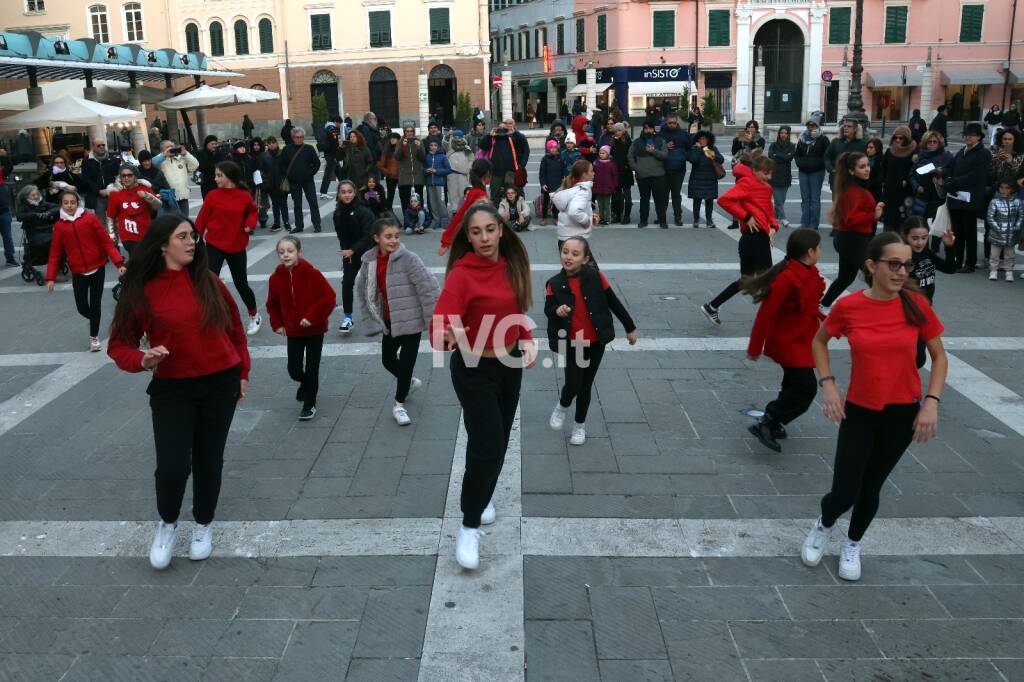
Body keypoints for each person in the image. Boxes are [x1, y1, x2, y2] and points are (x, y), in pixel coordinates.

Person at [108, 214, 251, 571]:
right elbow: (119, 345)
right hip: (172, 389)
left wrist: (242, 372)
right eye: (183, 236)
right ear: (162, 244)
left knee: (208, 460)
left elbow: (234, 329)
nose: (192, 242)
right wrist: (143, 360)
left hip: (221, 383)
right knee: (172, 466)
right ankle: (167, 523)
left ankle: (203, 524)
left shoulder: (210, 281)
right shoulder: (142, 291)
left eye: (193, 236)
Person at [803, 231, 947, 582]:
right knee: (844, 491)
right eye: (893, 264)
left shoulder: (916, 305)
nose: (901, 272)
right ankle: (823, 524)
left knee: (871, 487)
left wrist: (931, 403)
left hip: (903, 413)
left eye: (906, 265)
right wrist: (829, 385)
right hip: (861, 411)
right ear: (871, 265)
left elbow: (939, 357)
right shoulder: (850, 307)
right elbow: (819, 342)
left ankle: (853, 543)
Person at [431, 202, 536, 570]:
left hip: (509, 366)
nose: (484, 238)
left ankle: (483, 494)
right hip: (473, 369)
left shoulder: (512, 266)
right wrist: (445, 335)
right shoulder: (462, 274)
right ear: (468, 236)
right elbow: (441, 322)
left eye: (490, 229)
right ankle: (469, 524)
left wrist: (526, 337)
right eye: (476, 232)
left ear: (501, 229)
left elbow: (517, 308)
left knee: (498, 441)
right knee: (487, 444)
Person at [545, 236, 637, 445]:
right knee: (573, 383)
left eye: (575, 254)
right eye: (565, 252)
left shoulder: (596, 277)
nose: (568, 257)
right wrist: (557, 310)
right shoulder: (555, 284)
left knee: (586, 385)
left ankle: (579, 425)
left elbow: (614, 302)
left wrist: (629, 327)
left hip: (596, 341)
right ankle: (563, 405)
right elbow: (548, 309)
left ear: (586, 259)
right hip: (573, 342)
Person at [743, 228, 825, 451]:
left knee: (792, 383)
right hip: (788, 341)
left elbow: (809, 305)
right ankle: (769, 419)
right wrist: (754, 348)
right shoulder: (788, 278)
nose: (820, 251)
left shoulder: (808, 270)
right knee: (806, 388)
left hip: (802, 337)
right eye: (819, 248)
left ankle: (775, 422)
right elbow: (765, 315)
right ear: (810, 251)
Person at [356, 215, 440, 425]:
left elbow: (428, 289)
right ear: (377, 238)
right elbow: (364, 291)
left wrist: (433, 321)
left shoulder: (409, 258)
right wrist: (371, 320)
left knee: (407, 363)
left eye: (396, 236)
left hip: (411, 320)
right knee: (387, 359)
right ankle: (408, 382)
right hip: (389, 320)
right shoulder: (369, 261)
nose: (394, 240)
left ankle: (398, 404)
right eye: (388, 237)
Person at [700, 155, 778, 324]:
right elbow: (724, 200)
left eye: (771, 173)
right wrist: (746, 217)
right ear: (755, 171)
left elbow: (769, 210)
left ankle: (712, 306)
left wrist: (772, 227)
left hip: (755, 238)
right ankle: (773, 319)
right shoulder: (747, 183)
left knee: (746, 281)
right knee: (770, 281)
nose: (769, 177)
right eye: (766, 173)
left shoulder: (766, 187)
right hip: (755, 238)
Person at [267, 235, 336, 421]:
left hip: (315, 330)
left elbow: (329, 297)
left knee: (312, 368)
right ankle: (306, 385)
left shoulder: (311, 273)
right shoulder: (275, 278)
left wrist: (311, 317)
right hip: (293, 331)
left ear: (299, 252)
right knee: (294, 369)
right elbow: (272, 304)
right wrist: (278, 324)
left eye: (290, 251)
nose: (286, 255)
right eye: (281, 252)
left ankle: (309, 404)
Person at [46, 189, 125, 350]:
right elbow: (54, 253)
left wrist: (119, 263)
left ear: (78, 203)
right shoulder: (59, 226)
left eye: (72, 202)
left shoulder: (90, 219)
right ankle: (95, 318)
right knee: (82, 306)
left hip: (97, 267)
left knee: (95, 304)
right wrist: (51, 277)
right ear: (61, 205)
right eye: (66, 203)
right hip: (78, 272)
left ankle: (93, 337)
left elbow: (105, 242)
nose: (69, 206)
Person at [195, 161, 262, 335]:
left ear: (229, 177)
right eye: (215, 175)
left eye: (219, 175)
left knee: (241, 284)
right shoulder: (212, 195)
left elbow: (253, 211)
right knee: (209, 281)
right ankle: (211, 317)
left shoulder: (244, 195)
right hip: (215, 244)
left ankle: (254, 314)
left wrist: (249, 224)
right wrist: (195, 237)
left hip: (237, 244)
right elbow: (202, 218)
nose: (215, 178)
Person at [820, 153, 885, 308]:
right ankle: (886, 307)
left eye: (868, 165)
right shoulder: (854, 191)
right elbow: (850, 218)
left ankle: (823, 304)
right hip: (853, 240)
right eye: (862, 167)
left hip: (851, 239)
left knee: (846, 278)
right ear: (851, 171)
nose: (867, 169)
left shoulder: (854, 188)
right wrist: (873, 215)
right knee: (874, 275)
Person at [902, 216, 956, 368]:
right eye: (915, 238)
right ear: (905, 236)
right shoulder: (902, 257)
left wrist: (949, 247)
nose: (920, 242)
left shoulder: (926, 252)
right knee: (914, 357)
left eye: (924, 238)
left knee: (919, 358)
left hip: (925, 310)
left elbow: (950, 269)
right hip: (907, 311)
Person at [942, 122, 991, 272]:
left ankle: (970, 263)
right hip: (956, 197)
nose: (968, 137)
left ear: (979, 137)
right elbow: (951, 167)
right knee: (957, 231)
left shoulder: (983, 153)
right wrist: (946, 177)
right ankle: (957, 260)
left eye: (972, 135)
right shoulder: (962, 151)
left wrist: (954, 183)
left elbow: (976, 176)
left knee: (969, 232)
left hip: (970, 198)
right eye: (966, 134)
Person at [334, 180, 376, 334]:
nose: (346, 195)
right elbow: (341, 236)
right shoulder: (337, 213)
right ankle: (348, 318)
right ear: (339, 194)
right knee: (347, 282)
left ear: (355, 193)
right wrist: (346, 253)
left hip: (368, 252)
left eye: (349, 192)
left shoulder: (363, 211)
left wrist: (353, 250)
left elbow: (369, 235)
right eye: (343, 192)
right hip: (350, 254)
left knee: (371, 285)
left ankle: (376, 315)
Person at [107, 164, 162, 256]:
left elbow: (158, 205)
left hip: (146, 234)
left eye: (130, 175)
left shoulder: (145, 189)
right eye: (123, 175)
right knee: (136, 261)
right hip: (128, 237)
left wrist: (146, 196)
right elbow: (110, 216)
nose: (126, 178)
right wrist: (111, 234)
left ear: (135, 176)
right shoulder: (115, 194)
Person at [440, 158, 492, 256]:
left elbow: (459, 216)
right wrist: (446, 240)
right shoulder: (479, 194)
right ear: (488, 173)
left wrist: (446, 239)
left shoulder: (474, 191)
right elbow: (461, 216)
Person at [279, 127, 323, 233]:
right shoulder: (286, 149)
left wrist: (310, 173)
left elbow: (317, 163)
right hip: (294, 182)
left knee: (313, 202)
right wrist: (289, 175)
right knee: (297, 204)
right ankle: (299, 226)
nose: (299, 139)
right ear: (293, 138)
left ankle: (317, 225)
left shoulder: (309, 148)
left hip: (308, 181)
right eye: (297, 137)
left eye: (301, 137)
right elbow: (281, 165)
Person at [477, 117, 530, 202]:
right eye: (503, 126)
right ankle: (495, 213)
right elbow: (482, 145)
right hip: (496, 171)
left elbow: (525, 150)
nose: (506, 127)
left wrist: (521, 165)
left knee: (513, 194)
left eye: (509, 124)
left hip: (511, 171)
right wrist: (489, 135)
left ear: (514, 125)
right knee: (495, 194)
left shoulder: (515, 136)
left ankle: (514, 212)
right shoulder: (493, 137)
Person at [629, 120, 669, 228]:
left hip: (658, 175)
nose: (648, 130)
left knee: (659, 199)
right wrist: (636, 168)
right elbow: (630, 156)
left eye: (650, 128)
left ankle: (662, 221)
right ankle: (643, 220)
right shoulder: (636, 142)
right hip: (642, 175)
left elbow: (665, 155)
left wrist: (654, 151)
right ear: (643, 129)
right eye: (646, 128)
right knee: (644, 199)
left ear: (653, 129)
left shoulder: (660, 140)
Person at [551, 160, 595, 251]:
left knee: (571, 264)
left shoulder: (573, 188)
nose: (594, 173)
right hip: (575, 239)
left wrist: (590, 216)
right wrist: (586, 221)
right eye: (591, 171)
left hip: (566, 237)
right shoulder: (582, 191)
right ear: (584, 175)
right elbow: (574, 212)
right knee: (584, 264)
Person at [795, 117, 830, 229]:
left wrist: (817, 164)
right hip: (803, 171)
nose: (811, 128)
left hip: (817, 172)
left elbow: (826, 156)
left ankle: (813, 224)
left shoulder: (823, 139)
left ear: (817, 126)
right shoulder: (802, 138)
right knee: (805, 199)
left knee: (814, 199)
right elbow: (797, 154)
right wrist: (800, 163)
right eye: (809, 125)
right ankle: (805, 222)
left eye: (813, 125)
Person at [880, 127, 917, 231]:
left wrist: (906, 179)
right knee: (888, 220)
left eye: (901, 138)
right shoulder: (890, 151)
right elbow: (883, 168)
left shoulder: (913, 151)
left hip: (904, 192)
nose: (898, 140)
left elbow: (914, 170)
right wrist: (884, 181)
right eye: (896, 137)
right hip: (890, 190)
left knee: (902, 220)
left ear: (907, 139)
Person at [909, 132, 952, 221]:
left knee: (935, 225)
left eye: (934, 142)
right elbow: (911, 175)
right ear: (925, 143)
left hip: (937, 198)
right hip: (921, 196)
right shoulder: (919, 156)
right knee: (919, 222)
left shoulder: (946, 157)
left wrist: (941, 174)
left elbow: (951, 173)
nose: (932, 144)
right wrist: (916, 187)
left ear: (939, 143)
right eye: (929, 142)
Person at [986, 177, 1022, 282]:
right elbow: (990, 217)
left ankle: (1009, 272)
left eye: (1007, 188)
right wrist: (998, 227)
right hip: (996, 233)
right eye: (1001, 188)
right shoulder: (994, 201)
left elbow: (1021, 216)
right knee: (994, 255)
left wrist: (1016, 226)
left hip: (1011, 234)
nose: (1003, 190)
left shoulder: (1017, 202)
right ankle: (993, 271)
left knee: (1010, 255)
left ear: (1012, 189)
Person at [687, 131, 724, 228]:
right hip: (697, 179)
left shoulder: (712, 148)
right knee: (697, 200)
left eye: (704, 138)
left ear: (708, 140)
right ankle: (696, 220)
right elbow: (693, 160)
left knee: (709, 201)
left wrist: (709, 152)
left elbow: (721, 159)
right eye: (700, 139)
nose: (702, 140)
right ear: (697, 140)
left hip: (710, 179)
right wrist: (700, 149)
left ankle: (709, 220)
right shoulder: (694, 149)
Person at [154, 140, 199, 216]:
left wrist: (186, 154)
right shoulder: (161, 161)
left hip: (183, 196)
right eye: (168, 147)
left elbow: (195, 165)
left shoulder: (181, 159)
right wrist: (164, 155)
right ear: (162, 150)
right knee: (172, 223)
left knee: (184, 221)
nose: (170, 148)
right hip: (168, 198)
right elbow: (152, 163)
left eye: (172, 146)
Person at [79, 138, 121, 220]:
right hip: (97, 195)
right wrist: (98, 191)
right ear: (93, 147)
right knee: (101, 220)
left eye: (103, 145)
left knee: (116, 218)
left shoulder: (112, 159)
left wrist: (114, 188)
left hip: (112, 193)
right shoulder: (87, 161)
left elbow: (118, 175)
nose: (102, 147)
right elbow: (86, 179)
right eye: (99, 146)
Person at [824, 118, 866, 189]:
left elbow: (865, 161)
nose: (846, 128)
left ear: (855, 129)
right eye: (844, 126)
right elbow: (826, 157)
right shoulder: (835, 142)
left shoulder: (862, 144)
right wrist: (831, 169)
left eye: (849, 126)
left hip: (854, 181)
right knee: (837, 200)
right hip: (837, 180)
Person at [768, 126, 795, 228]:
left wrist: (777, 155)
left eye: (785, 133)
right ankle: (783, 218)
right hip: (774, 175)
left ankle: (774, 217)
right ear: (779, 134)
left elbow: (789, 158)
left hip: (786, 176)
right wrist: (783, 156)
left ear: (788, 135)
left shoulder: (792, 146)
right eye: (781, 133)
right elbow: (771, 157)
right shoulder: (773, 145)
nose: (783, 135)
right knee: (778, 200)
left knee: (782, 199)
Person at [260, 137, 289, 232]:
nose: (271, 144)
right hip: (270, 183)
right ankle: (277, 223)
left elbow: (287, 167)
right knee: (275, 204)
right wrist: (265, 181)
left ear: (277, 143)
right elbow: (262, 170)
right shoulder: (264, 156)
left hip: (282, 182)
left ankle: (286, 222)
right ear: (267, 145)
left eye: (273, 142)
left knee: (283, 203)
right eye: (269, 143)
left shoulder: (283, 153)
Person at [396, 123, 426, 215]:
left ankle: (420, 217)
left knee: (419, 197)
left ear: (414, 132)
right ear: (405, 132)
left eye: (411, 131)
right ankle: (407, 218)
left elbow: (422, 157)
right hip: (405, 174)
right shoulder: (400, 142)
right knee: (405, 198)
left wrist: (418, 148)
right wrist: (403, 147)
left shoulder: (419, 141)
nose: (409, 133)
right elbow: (397, 157)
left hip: (417, 173)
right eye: (407, 131)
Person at [607, 123, 633, 224]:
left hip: (626, 172)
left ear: (623, 131)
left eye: (619, 130)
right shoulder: (612, 142)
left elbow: (631, 156)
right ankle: (617, 214)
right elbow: (610, 155)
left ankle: (627, 215)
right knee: (616, 195)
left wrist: (628, 166)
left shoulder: (628, 142)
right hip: (615, 172)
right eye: (615, 131)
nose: (617, 133)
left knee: (627, 194)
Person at [423, 139, 452, 230]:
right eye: (431, 145)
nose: (433, 147)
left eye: (435, 145)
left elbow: (448, 169)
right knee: (432, 203)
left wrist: (436, 171)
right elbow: (423, 169)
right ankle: (436, 220)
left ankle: (445, 220)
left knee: (441, 202)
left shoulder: (443, 156)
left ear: (438, 147)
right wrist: (426, 171)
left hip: (440, 183)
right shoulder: (427, 157)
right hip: (430, 183)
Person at [446, 130, 474, 213]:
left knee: (463, 192)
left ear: (462, 137)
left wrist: (468, 168)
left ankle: (463, 210)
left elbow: (471, 159)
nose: (457, 139)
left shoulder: (466, 147)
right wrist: (447, 135)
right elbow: (444, 142)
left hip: (463, 174)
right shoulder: (449, 146)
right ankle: (454, 211)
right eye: (455, 137)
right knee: (452, 193)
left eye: (459, 137)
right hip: (451, 173)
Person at [592, 145, 619, 228]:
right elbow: (593, 173)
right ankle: (601, 218)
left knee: (606, 205)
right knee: (600, 204)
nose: (601, 154)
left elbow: (615, 176)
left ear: (607, 154)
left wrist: (614, 185)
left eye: (603, 153)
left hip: (608, 187)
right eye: (600, 153)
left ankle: (607, 219)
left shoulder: (611, 164)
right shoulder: (596, 163)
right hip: (598, 186)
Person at [378, 131, 402, 212]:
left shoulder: (402, 149)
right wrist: (388, 172)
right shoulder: (386, 150)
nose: (392, 140)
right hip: (391, 177)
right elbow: (381, 165)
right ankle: (389, 212)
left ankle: (407, 214)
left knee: (404, 196)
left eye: (394, 138)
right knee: (390, 196)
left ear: (398, 139)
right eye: (391, 138)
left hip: (402, 176)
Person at [318, 123, 342, 198]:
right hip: (332, 156)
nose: (339, 125)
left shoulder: (325, 129)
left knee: (340, 173)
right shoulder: (332, 129)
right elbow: (334, 143)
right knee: (328, 175)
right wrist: (336, 155)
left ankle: (346, 187)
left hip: (328, 154)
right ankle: (323, 192)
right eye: (339, 123)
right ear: (336, 122)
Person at [0, 148, 15, 266]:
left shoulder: (0, 175)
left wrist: (3, 155)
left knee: (8, 237)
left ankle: (10, 259)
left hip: (3, 211)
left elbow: (9, 166)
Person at [864, 138, 884, 202]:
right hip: (865, 191)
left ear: (877, 148)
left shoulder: (881, 161)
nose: (868, 150)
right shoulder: (865, 159)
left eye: (871, 148)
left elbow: (879, 179)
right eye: (867, 147)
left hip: (875, 193)